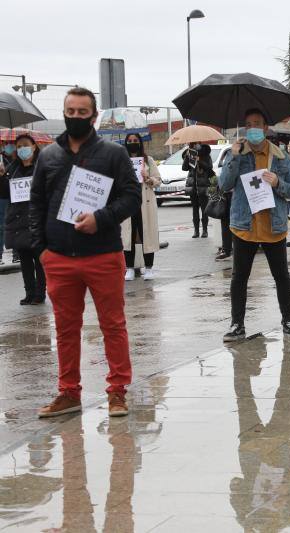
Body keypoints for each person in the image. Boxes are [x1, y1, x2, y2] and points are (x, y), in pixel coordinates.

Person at [30, 87, 141, 418]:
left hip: (103, 255)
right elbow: (36, 204)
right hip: (59, 258)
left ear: (94, 116)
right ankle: (68, 393)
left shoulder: (113, 154)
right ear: (64, 113)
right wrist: (42, 250)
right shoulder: (48, 156)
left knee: (113, 325)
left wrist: (101, 219)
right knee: (65, 329)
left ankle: (117, 392)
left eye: (82, 112)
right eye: (71, 111)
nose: (75, 116)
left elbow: (132, 196)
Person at [218, 108, 290, 341]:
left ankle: (288, 321)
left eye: (257, 124)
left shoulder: (281, 157)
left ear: (265, 128)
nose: (252, 128)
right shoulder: (238, 153)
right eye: (248, 124)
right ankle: (237, 325)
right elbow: (224, 185)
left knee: (282, 277)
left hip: (273, 227)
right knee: (239, 278)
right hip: (244, 226)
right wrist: (233, 157)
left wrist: (278, 183)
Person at [0, 134, 45, 304]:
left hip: (36, 219)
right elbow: (5, 194)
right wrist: (2, 177)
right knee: (25, 260)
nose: (21, 149)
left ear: (34, 146)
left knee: (39, 260)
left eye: (25, 145)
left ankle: (40, 293)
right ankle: (29, 292)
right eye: (18, 147)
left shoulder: (42, 167)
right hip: (18, 221)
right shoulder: (12, 169)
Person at [121, 134, 161, 281]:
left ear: (140, 143)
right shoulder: (122, 161)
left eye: (135, 141)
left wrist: (147, 178)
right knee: (128, 236)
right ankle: (129, 268)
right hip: (128, 203)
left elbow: (158, 180)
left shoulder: (148, 160)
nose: (133, 143)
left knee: (147, 235)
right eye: (130, 141)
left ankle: (149, 268)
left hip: (146, 203)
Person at [183, 142, 213, 238]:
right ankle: (196, 231)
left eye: (197, 144)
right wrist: (187, 157)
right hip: (193, 186)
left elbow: (209, 167)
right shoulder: (189, 154)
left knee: (204, 209)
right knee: (195, 209)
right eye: (193, 144)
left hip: (203, 185)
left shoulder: (206, 155)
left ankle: (205, 230)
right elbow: (184, 168)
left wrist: (199, 160)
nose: (195, 146)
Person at [0, 141, 15, 265]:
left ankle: (17, 254)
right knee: (1, 226)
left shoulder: (16, 160)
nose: (9, 146)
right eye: (7, 144)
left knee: (16, 225)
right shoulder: (2, 160)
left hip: (16, 197)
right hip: (3, 197)